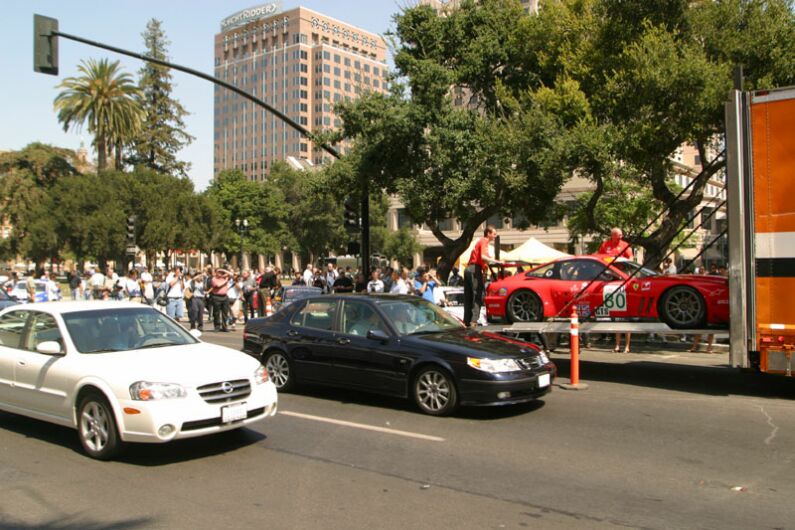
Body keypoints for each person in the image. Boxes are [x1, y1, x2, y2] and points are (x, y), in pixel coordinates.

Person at [464, 226, 502, 327]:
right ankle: (474, 321)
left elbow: (484, 259)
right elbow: (483, 257)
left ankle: (467, 321)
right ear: (488, 234)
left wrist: (485, 270)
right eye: (494, 234)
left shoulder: (480, 242)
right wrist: (498, 261)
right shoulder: (484, 241)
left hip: (469, 269)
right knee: (478, 295)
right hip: (474, 269)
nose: (495, 236)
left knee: (468, 296)